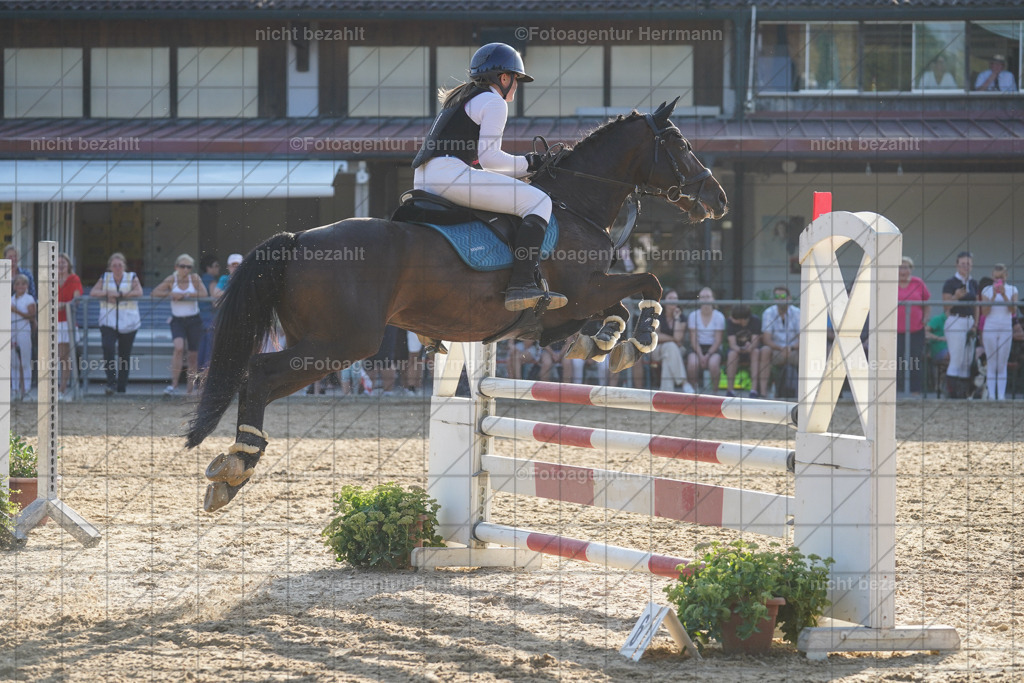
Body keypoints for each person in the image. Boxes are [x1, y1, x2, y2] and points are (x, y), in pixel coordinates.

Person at [412, 42, 565, 312]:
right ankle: (521, 285)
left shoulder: (463, 98)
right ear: (503, 78)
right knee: (539, 202)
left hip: (425, 177)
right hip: (449, 176)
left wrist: (521, 168)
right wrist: (530, 163)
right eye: (516, 79)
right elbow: (490, 159)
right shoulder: (493, 101)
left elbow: (483, 164)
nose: (516, 86)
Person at [152, 254, 208, 396]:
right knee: (178, 348)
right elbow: (155, 292)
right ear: (176, 267)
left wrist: (185, 296)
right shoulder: (172, 279)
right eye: (182, 266)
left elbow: (204, 293)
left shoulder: (194, 278)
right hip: (177, 320)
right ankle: (174, 385)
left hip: (193, 319)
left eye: (188, 267)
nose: (185, 269)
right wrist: (172, 294)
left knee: (193, 355)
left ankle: (190, 389)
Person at [90, 252, 143, 395]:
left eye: (120, 265)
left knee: (124, 355)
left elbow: (139, 292)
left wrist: (120, 295)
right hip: (108, 321)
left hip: (129, 322)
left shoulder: (132, 277)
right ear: (110, 267)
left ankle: (121, 387)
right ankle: (111, 383)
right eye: (114, 265)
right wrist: (108, 293)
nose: (117, 268)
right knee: (108, 349)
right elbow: (94, 292)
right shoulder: (105, 277)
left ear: (124, 266)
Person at [942, 251, 980, 398]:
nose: (966, 267)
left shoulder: (973, 283)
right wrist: (956, 297)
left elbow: (976, 304)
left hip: (970, 321)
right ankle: (952, 395)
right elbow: (946, 306)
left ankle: (963, 395)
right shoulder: (950, 283)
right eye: (963, 264)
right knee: (957, 358)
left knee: (967, 359)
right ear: (957, 265)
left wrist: (975, 324)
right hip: (956, 319)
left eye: (968, 264)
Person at [980, 264, 1018, 400]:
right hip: (990, 328)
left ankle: (1001, 395)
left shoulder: (1012, 289)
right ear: (992, 277)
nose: (998, 281)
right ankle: (991, 395)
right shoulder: (986, 290)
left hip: (1005, 329)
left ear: (1006, 276)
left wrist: (1004, 295)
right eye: (996, 278)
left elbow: (1013, 311)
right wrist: (993, 296)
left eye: (1001, 278)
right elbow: (984, 312)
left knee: (1002, 363)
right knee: (992, 362)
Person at [759, 286, 801, 398]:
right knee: (764, 351)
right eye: (777, 297)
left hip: (795, 351)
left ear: (789, 298)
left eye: (782, 296)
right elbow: (766, 339)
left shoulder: (798, 313)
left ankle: (804, 393)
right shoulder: (768, 313)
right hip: (776, 351)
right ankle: (763, 393)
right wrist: (781, 348)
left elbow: (803, 339)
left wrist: (790, 348)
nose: (780, 299)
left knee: (808, 352)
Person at [897, 257, 930, 396]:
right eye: (900, 267)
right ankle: (897, 391)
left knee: (915, 360)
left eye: (906, 267)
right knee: (897, 360)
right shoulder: (890, 283)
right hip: (896, 331)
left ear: (911, 269)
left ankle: (915, 392)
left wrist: (925, 320)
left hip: (916, 330)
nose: (903, 270)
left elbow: (927, 303)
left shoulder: (918, 283)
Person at [686, 287, 726, 394]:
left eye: (708, 297)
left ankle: (715, 393)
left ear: (713, 299)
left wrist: (707, 355)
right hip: (697, 347)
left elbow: (718, 340)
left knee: (713, 364)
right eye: (702, 297)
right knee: (692, 363)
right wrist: (700, 355)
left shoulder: (719, 316)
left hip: (713, 347)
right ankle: (693, 391)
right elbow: (693, 339)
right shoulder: (693, 315)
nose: (705, 299)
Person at [650, 289, 690, 392]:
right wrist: (673, 340)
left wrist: (676, 318)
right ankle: (684, 383)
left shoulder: (682, 317)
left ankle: (666, 392)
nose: (673, 300)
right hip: (657, 350)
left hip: (677, 350)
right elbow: (656, 336)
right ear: (664, 301)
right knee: (671, 347)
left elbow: (678, 337)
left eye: (675, 298)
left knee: (669, 355)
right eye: (670, 298)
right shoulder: (657, 315)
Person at [57, 253, 83, 398]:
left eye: (63, 263)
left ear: (68, 265)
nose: (60, 265)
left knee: (64, 356)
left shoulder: (74, 279)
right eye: (58, 263)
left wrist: (63, 305)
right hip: (52, 322)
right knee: (55, 357)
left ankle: (62, 388)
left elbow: (76, 299)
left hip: (67, 322)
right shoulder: (50, 280)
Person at [725, 304, 762, 398]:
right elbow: (732, 344)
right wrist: (740, 349)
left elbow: (755, 341)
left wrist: (750, 346)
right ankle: (730, 390)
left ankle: (753, 390)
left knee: (756, 352)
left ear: (742, 319)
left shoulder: (755, 321)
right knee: (732, 354)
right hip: (736, 350)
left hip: (751, 351)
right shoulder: (730, 322)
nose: (731, 318)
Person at [10, 273, 35, 400]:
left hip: (24, 331)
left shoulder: (29, 299)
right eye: (17, 283)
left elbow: (31, 316)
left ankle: (26, 389)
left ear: (27, 286)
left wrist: (16, 311)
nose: (20, 286)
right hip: (12, 331)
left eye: (23, 283)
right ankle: (14, 389)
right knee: (13, 362)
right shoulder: (10, 300)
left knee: (25, 361)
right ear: (14, 286)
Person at [197, 254, 220, 371]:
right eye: (215, 266)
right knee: (209, 348)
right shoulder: (212, 281)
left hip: (199, 317)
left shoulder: (199, 280)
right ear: (208, 268)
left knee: (201, 347)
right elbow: (215, 302)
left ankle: (198, 376)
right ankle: (205, 374)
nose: (218, 268)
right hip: (209, 318)